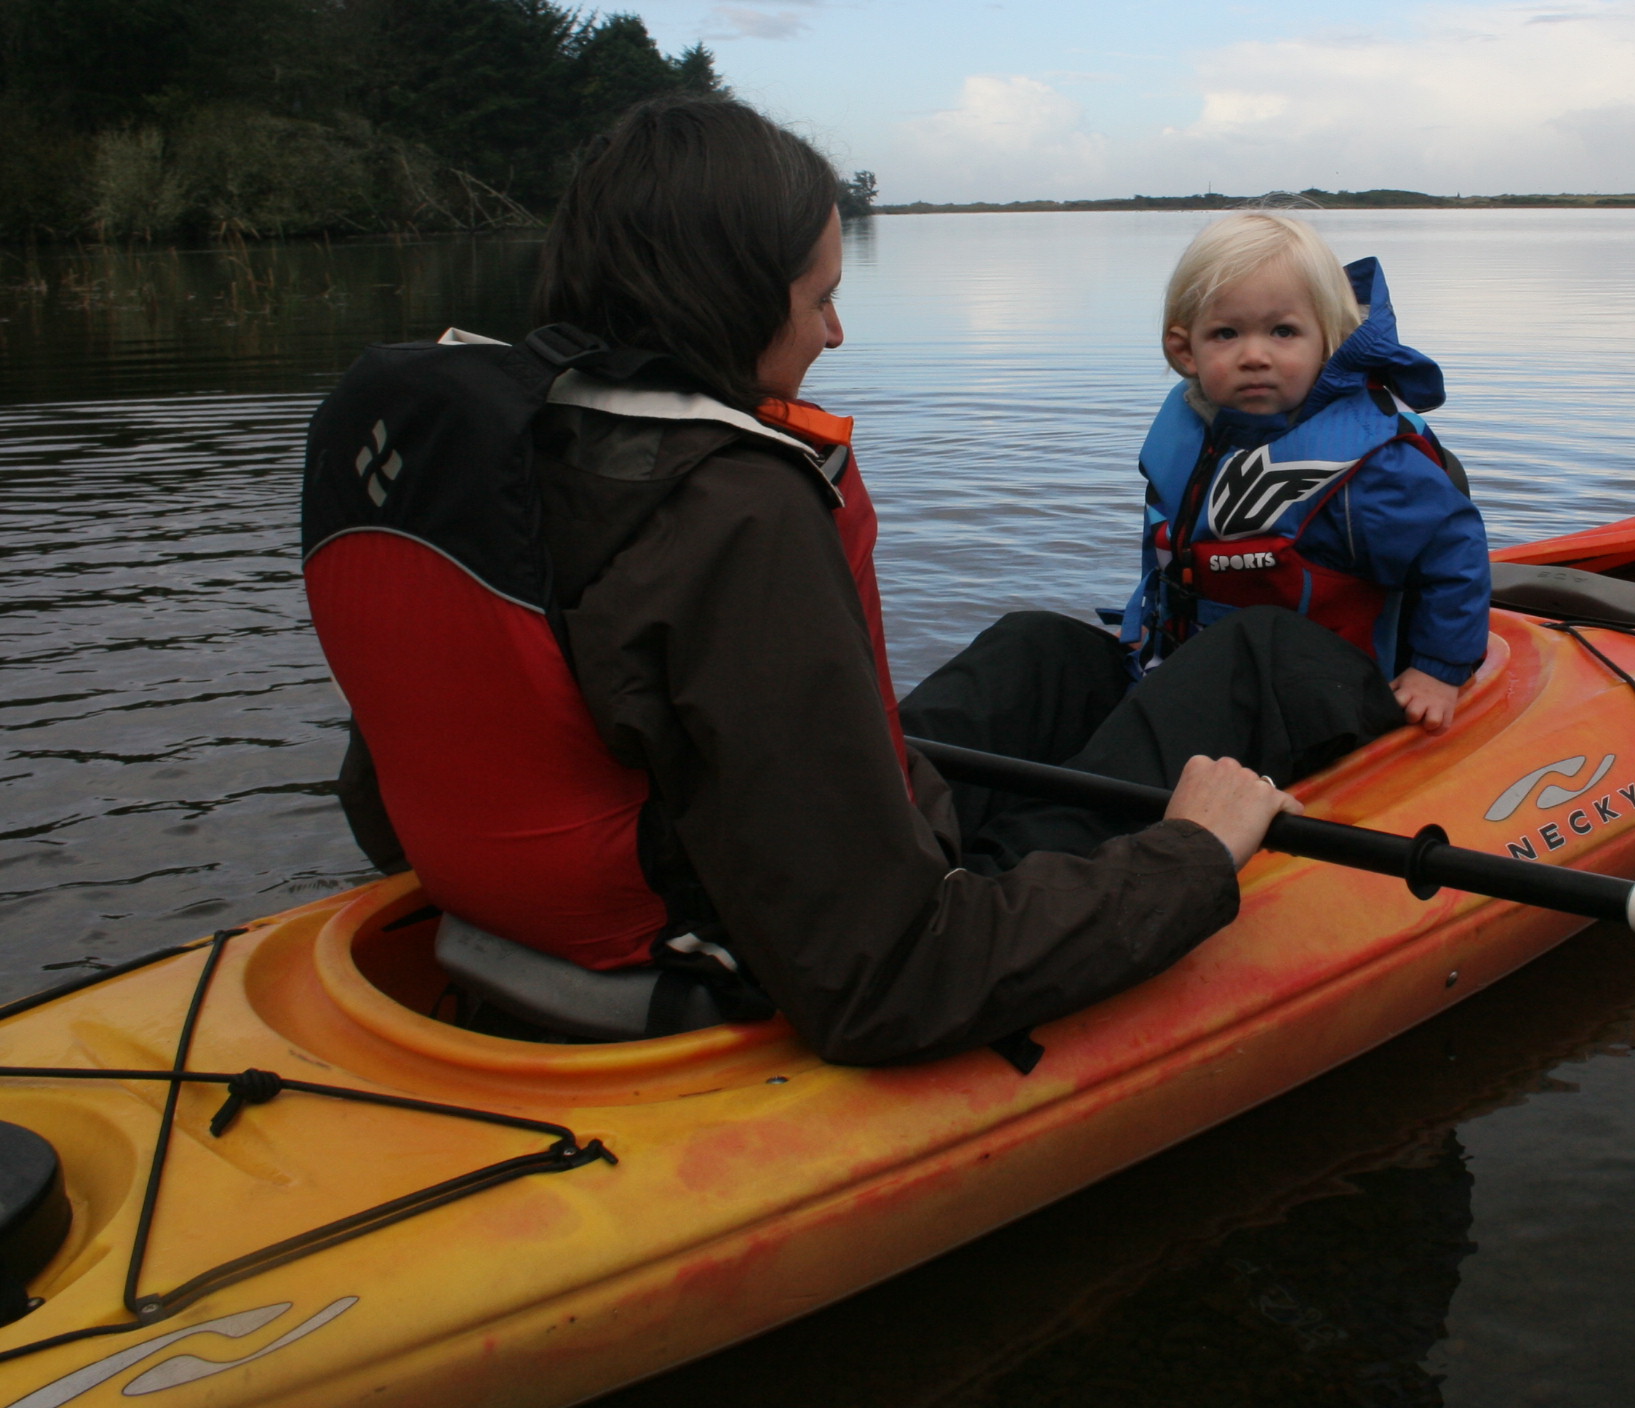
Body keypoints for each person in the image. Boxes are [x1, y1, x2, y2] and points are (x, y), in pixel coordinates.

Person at [309, 96, 1323, 1067]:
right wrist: (1190, 853)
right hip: (732, 953)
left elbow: (387, 792)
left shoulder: (501, 454)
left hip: (554, 895)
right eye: (820, 298)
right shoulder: (733, 508)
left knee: (1046, 656)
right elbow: (889, 976)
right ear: (729, 298)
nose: (834, 335)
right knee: (1253, 664)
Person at [1119, 213, 1490, 733]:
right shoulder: (1191, 435)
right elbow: (1165, 542)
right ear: (1185, 350)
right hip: (1198, 670)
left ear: (1330, 341)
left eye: (1283, 331)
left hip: (1315, 700)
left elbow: (1455, 554)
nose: (1254, 355)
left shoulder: (1373, 468)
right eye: (1226, 333)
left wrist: (1438, 671)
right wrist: (1146, 623)